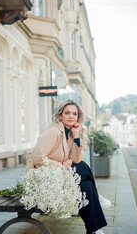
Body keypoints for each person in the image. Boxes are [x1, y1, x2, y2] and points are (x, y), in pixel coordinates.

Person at [30, 100, 107, 234]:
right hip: (43, 177)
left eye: (74, 114)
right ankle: (97, 199)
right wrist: (61, 165)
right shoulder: (53, 132)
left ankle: (94, 230)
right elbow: (37, 158)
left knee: (86, 187)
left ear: (78, 117)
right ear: (60, 116)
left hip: (59, 176)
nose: (71, 116)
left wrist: (76, 136)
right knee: (82, 167)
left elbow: (76, 158)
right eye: (67, 113)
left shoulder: (70, 133)